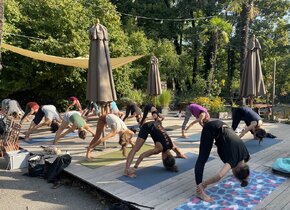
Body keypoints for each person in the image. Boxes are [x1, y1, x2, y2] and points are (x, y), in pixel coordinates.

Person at [195, 119, 250, 202]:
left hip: (222, 124)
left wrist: (243, 178)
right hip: (211, 128)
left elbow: (244, 167)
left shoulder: (246, 155)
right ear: (237, 170)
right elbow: (219, 176)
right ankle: (200, 190)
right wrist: (204, 184)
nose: (232, 171)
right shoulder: (233, 160)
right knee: (202, 159)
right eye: (234, 173)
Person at [123, 113, 186, 178]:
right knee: (135, 149)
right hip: (147, 126)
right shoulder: (158, 149)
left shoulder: (171, 145)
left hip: (156, 124)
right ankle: (126, 170)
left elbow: (175, 148)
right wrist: (135, 167)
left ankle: (127, 169)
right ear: (164, 158)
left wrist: (179, 154)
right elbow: (142, 156)